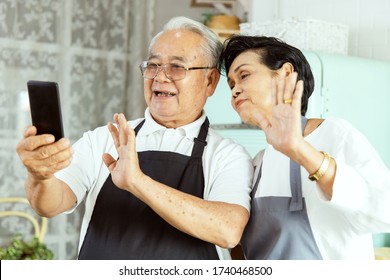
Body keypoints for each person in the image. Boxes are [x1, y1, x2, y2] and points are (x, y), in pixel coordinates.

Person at [15, 17, 253, 260]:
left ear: (210, 81)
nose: (160, 77)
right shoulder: (103, 139)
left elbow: (228, 230)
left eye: (177, 67)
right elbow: (50, 205)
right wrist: (40, 176)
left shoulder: (227, 155)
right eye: (153, 65)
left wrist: (137, 182)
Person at [217, 34, 390, 260]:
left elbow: (383, 212)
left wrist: (299, 150)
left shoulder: (335, 134)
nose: (235, 90)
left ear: (286, 74)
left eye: (244, 76)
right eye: (231, 84)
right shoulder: (258, 163)